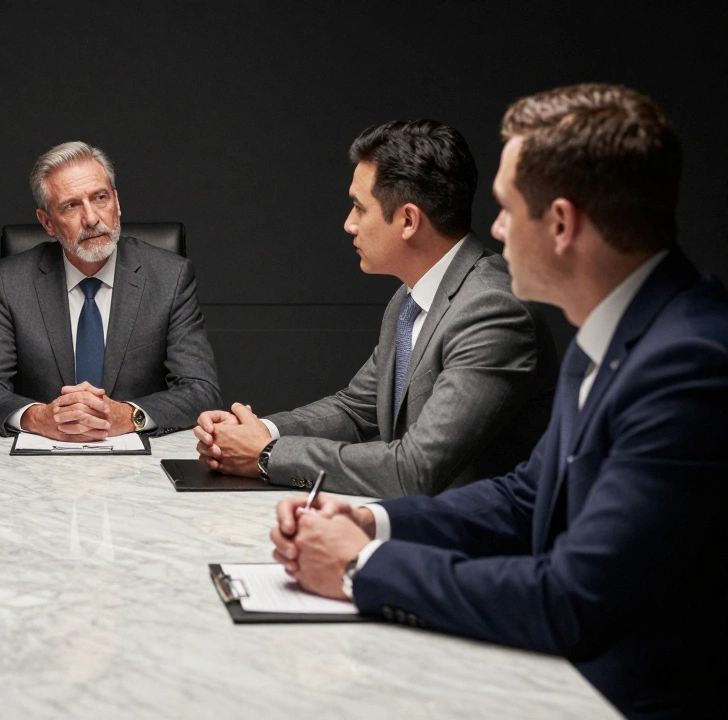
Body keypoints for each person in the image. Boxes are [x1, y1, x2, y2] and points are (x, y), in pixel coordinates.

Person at [271, 84, 727, 718]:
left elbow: (571, 599)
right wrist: (371, 523)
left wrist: (362, 567)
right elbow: (526, 497)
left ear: (562, 224)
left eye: (509, 209)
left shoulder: (689, 362)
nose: (494, 228)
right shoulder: (615, 329)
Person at [194, 120, 558, 498]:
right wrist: (256, 432)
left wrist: (267, 454)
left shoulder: (493, 310)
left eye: (358, 207)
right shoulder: (409, 298)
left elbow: (415, 470)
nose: (349, 224)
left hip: (479, 546)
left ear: (408, 220)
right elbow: (355, 410)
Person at [0, 141, 221, 439]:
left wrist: (129, 415)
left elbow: (201, 390)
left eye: (100, 198)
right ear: (47, 223)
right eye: (71, 205)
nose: (92, 218)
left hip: (138, 466)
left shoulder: (170, 278)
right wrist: (38, 417)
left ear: (117, 203)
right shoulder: (11, 282)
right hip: (42, 466)